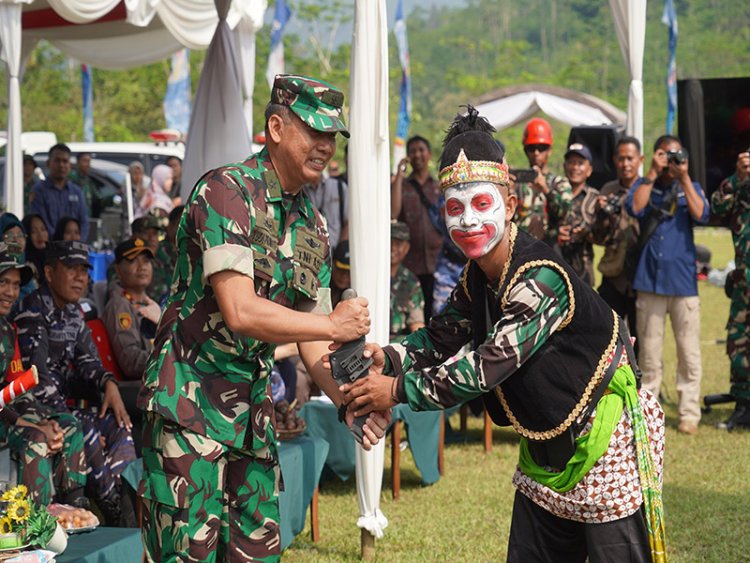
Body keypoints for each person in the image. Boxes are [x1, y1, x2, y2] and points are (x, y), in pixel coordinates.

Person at [340, 106, 666, 563]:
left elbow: (485, 366)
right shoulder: (478, 277)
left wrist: (392, 390)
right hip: (545, 445)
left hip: (602, 439)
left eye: (481, 204)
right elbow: (437, 338)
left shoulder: (539, 278)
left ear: (510, 205)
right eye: (455, 208)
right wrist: (387, 358)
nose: (469, 222)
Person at [137, 74, 388, 562]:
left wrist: (346, 400)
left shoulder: (313, 224)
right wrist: (334, 325)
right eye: (313, 131)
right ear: (276, 126)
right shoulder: (226, 192)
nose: (324, 146)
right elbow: (241, 311)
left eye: (332, 136)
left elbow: (311, 333)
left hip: (252, 417)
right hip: (189, 410)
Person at [14, 240, 136, 525]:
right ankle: (112, 508)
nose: (81, 277)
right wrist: (71, 417)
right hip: (38, 409)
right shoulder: (31, 312)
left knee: (120, 423)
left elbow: (89, 362)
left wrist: (109, 384)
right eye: (71, 269)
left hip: (66, 407)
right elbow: (37, 380)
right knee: (85, 426)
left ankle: (124, 495)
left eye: (84, 269)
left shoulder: (73, 312)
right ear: (49, 273)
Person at [625, 135, 709, 435]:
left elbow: (702, 214)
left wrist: (684, 176)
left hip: (684, 282)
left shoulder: (690, 187)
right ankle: (649, 412)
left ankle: (689, 412)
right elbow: (634, 207)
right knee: (648, 353)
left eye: (675, 156)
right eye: (665, 155)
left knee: (688, 352)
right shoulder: (647, 186)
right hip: (649, 281)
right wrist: (651, 173)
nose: (670, 161)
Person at [0, 243, 88, 506]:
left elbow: (15, 389)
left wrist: (44, 420)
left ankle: (73, 510)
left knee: (68, 424)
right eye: (4, 282)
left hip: (7, 413)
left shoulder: (8, 330)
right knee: (37, 440)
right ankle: (38, 524)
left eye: (16, 285)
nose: (11, 292)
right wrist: (30, 426)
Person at [710, 149, 750, 430]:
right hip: (743, 284)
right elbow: (716, 207)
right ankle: (744, 407)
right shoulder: (740, 186)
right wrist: (738, 177)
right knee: (739, 347)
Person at [592, 137, 643, 347]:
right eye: (621, 159)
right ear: (614, 160)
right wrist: (601, 214)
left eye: (630, 158)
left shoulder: (647, 189)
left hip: (641, 275)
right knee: (608, 335)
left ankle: (639, 378)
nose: (625, 164)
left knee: (641, 337)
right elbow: (598, 237)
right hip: (613, 274)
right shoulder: (608, 190)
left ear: (640, 159)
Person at [391, 135, 444, 320]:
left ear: (429, 154)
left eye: (421, 150)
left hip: (438, 263)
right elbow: (393, 213)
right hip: (411, 264)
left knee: (437, 314)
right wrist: (399, 174)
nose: (417, 154)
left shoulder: (438, 187)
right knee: (415, 315)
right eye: (412, 151)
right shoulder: (403, 186)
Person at [512, 118, 572, 245]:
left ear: (549, 151)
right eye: (531, 148)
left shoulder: (558, 183)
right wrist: (505, 191)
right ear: (525, 150)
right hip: (519, 248)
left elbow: (564, 212)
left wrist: (546, 189)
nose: (536, 153)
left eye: (541, 148)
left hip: (548, 248)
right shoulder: (517, 183)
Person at [557, 143, 599, 286]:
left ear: (589, 170)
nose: (575, 167)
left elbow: (602, 236)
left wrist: (585, 233)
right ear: (564, 166)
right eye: (571, 162)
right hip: (553, 267)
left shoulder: (595, 198)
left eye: (580, 163)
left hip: (583, 273)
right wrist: (555, 233)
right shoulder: (554, 193)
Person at [29, 143, 89, 242]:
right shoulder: (38, 190)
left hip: (74, 248)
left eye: (65, 161)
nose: (61, 165)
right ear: (48, 163)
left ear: (69, 165)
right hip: (50, 248)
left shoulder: (77, 192)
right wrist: (60, 241)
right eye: (57, 161)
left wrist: (78, 242)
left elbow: (84, 222)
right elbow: (40, 223)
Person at [389, 221, 425, 341]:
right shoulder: (370, 275)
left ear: (406, 248)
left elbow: (416, 324)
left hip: (395, 341)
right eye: (389, 242)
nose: (393, 248)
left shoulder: (411, 282)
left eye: (398, 244)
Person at [303, 171, 348, 250]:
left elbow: (348, 222)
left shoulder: (339, 186)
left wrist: (341, 250)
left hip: (336, 251)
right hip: (310, 252)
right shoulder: (300, 189)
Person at [68, 152, 100, 217]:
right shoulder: (71, 178)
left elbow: (98, 198)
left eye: (89, 162)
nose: (88, 165)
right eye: (85, 161)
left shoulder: (87, 181)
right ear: (78, 162)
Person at [21, 214, 48, 285]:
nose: (40, 235)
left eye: (43, 229)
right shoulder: (27, 266)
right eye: (33, 231)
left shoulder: (53, 258)